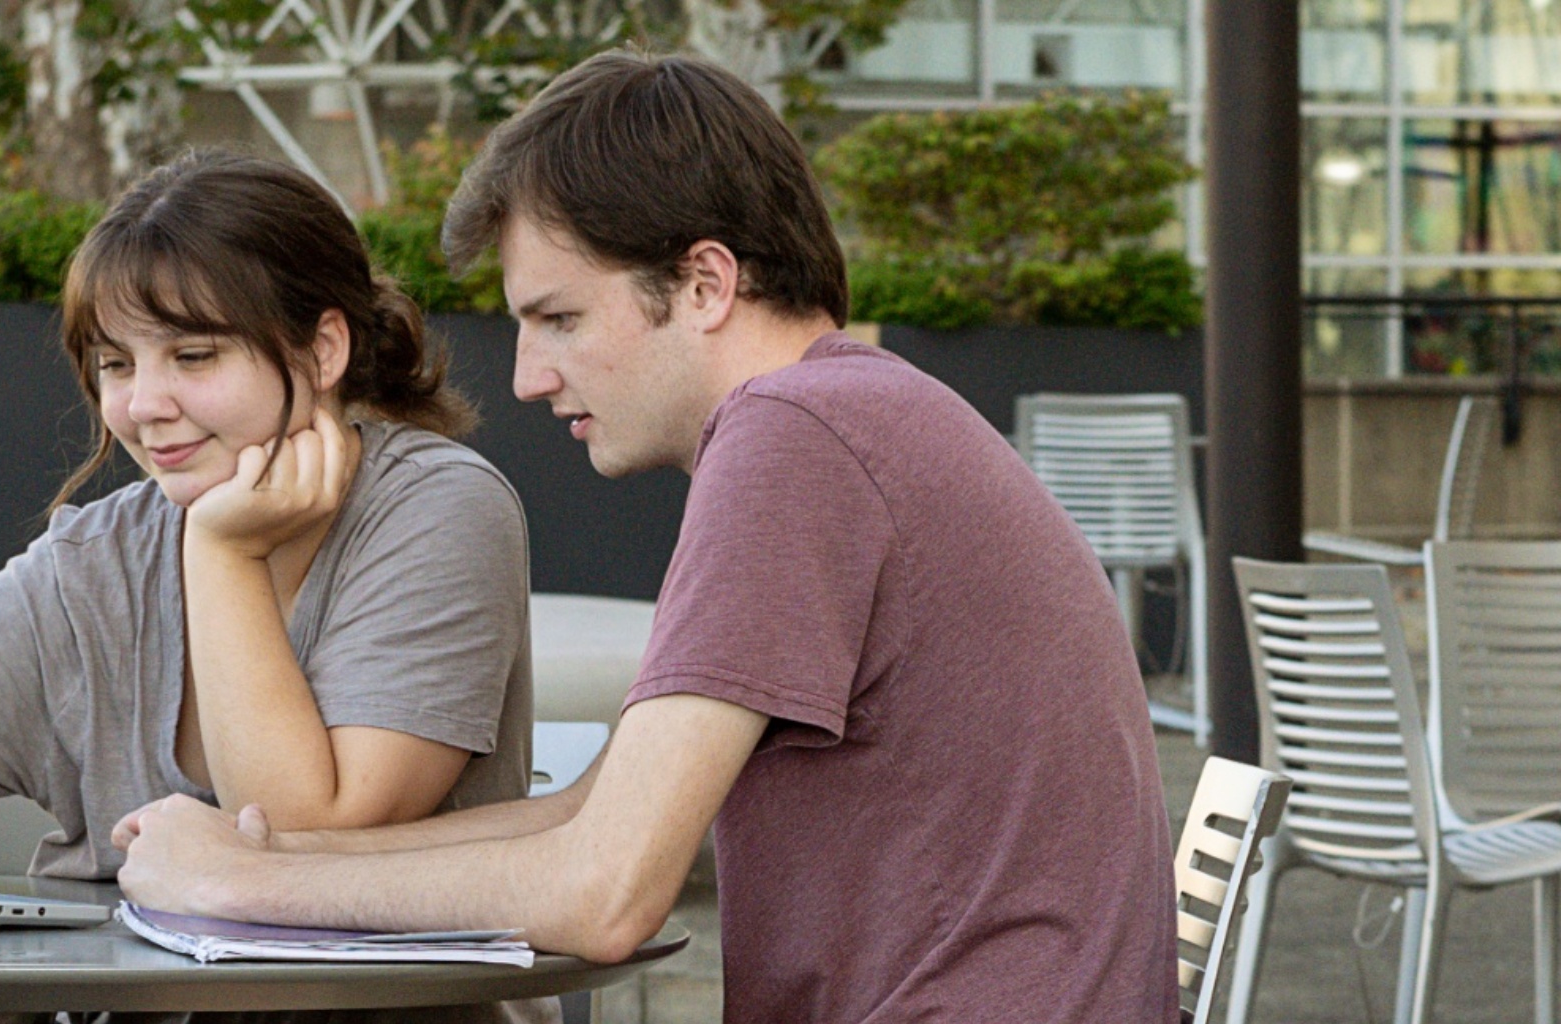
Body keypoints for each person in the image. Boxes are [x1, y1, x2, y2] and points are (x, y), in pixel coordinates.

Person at [113, 51, 1180, 1022]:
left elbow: (606, 894)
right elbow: (591, 810)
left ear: (706, 284)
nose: (529, 375)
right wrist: (279, 849)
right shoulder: (851, 418)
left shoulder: (795, 440)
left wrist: (235, 885)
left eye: (561, 318)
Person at [0, 150, 534, 903]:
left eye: (193, 356)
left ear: (323, 348)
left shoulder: (437, 511)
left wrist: (222, 552)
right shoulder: (94, 564)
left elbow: (299, 845)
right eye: (116, 364)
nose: (142, 405)